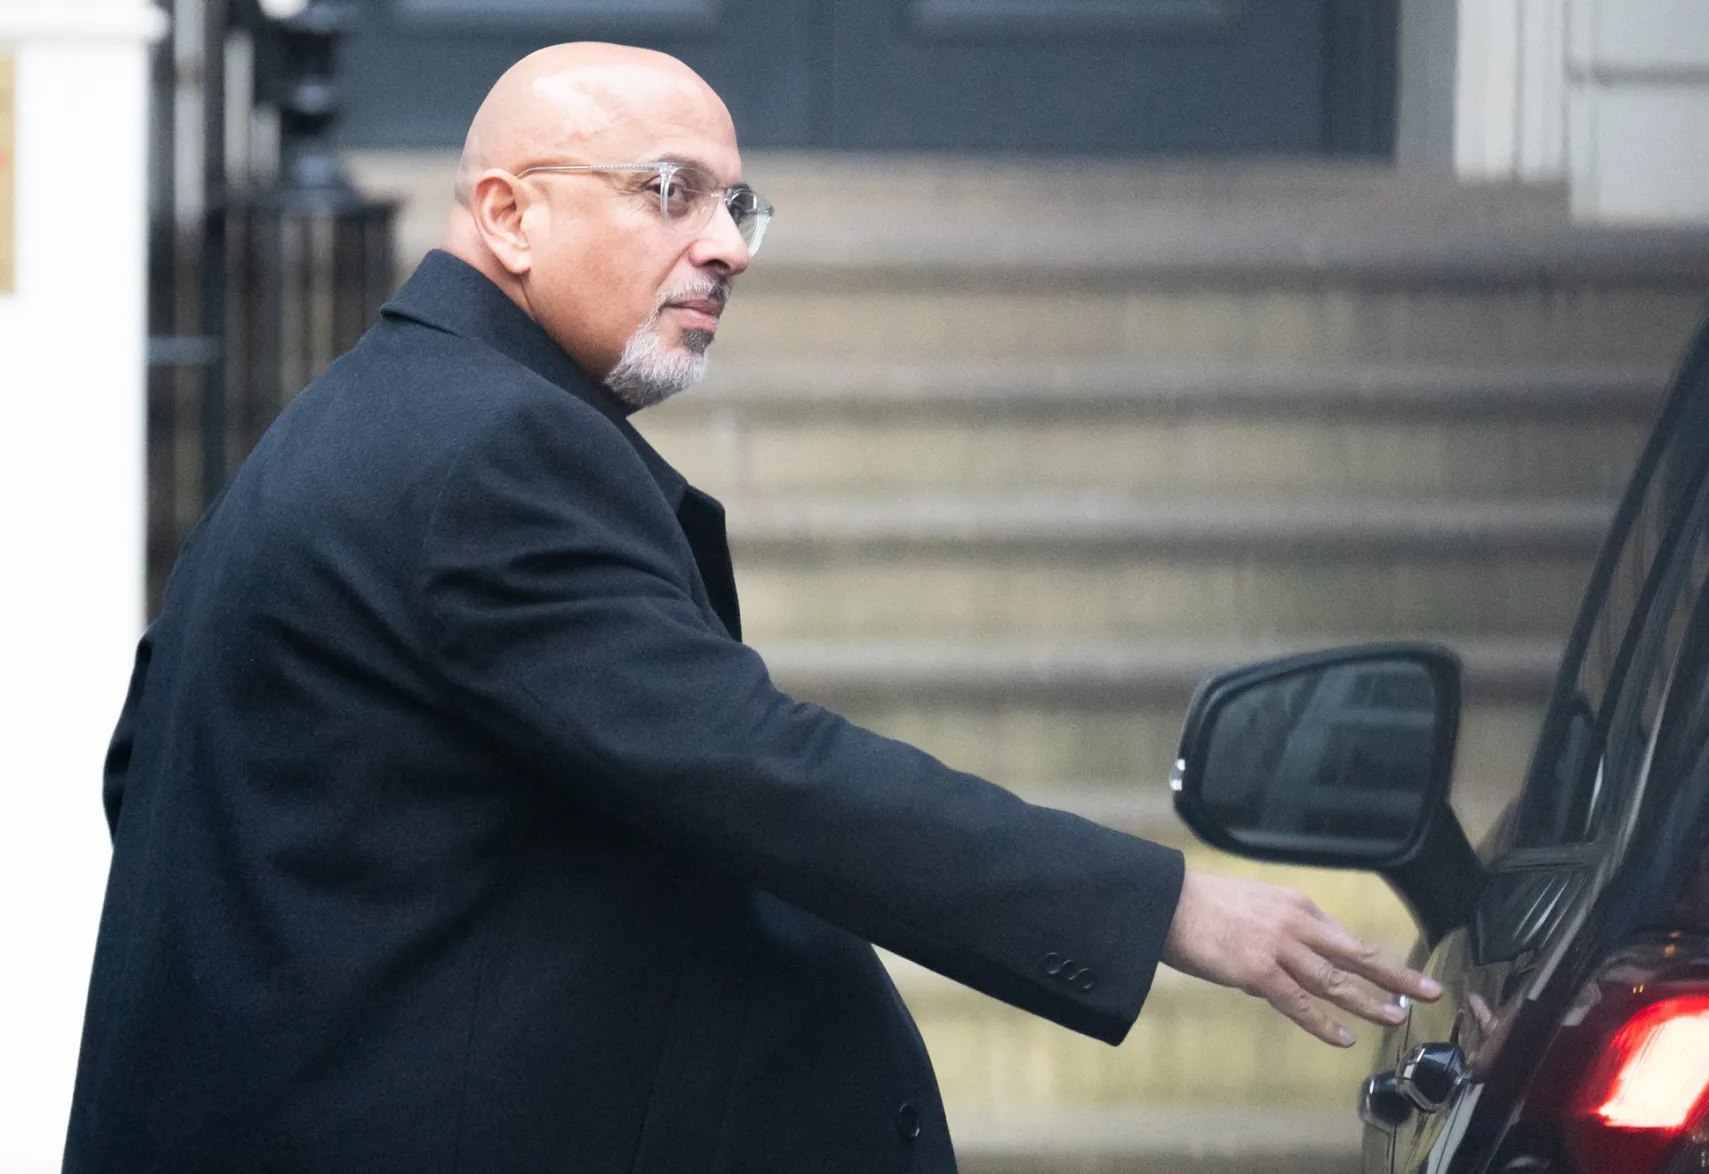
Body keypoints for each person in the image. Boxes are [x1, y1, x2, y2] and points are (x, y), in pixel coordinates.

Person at [64, 42, 1439, 1173]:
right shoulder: (487, 448)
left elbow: (155, 776)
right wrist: (1167, 908)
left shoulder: (380, 413)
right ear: (508, 215)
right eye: (670, 193)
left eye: (738, 206)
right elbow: (757, 770)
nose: (726, 246)